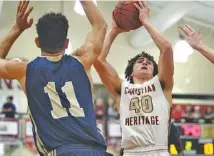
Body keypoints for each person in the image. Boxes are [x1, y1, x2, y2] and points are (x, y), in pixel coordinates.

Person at [0, 0, 108, 155]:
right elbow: (101, 25)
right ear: (66, 43)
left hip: (61, 151)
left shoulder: (25, 70)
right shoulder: (83, 61)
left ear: (37, 42)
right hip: (96, 151)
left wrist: (17, 28)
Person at [94, 1, 174, 156]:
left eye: (149, 63)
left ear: (154, 72)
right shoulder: (122, 89)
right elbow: (98, 60)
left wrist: (145, 22)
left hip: (158, 151)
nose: (145, 62)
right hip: (132, 152)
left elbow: (167, 48)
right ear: (130, 73)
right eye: (140, 61)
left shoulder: (162, 85)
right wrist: (114, 31)